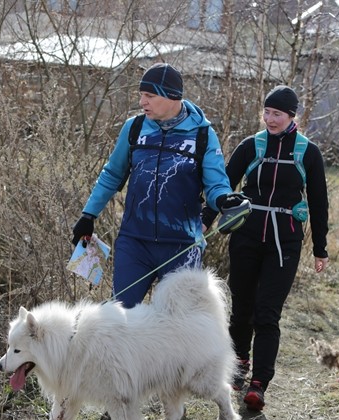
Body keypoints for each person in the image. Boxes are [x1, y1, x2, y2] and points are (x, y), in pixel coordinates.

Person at [71, 62, 246, 308]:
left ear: (172, 96)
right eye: (141, 95)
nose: (143, 102)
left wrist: (226, 200)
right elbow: (112, 173)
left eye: (149, 96)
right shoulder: (134, 128)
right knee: (121, 319)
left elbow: (216, 184)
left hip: (182, 247)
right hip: (134, 243)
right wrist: (88, 215)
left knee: (177, 326)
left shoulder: (202, 134)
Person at [202, 85, 329, 412]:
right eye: (267, 112)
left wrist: (320, 247)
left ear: (292, 116)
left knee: (267, 313)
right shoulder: (251, 146)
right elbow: (223, 186)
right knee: (242, 308)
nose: (271, 119)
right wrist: (204, 221)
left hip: (284, 239)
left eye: (278, 114)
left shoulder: (307, 152)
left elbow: (318, 201)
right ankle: (239, 363)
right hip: (246, 234)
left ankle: (260, 383)